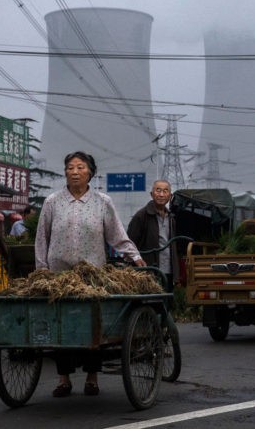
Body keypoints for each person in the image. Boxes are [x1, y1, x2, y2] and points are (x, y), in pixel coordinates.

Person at [35, 151, 146, 398]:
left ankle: (92, 377)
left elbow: (116, 234)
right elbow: (42, 237)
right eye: (70, 167)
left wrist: (134, 256)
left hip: (92, 275)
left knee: (92, 326)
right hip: (59, 276)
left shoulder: (102, 202)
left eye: (80, 167)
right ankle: (63, 379)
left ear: (90, 173)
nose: (74, 172)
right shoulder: (53, 201)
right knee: (60, 325)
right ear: (65, 172)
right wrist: (41, 269)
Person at [127, 179, 179, 292]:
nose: (161, 194)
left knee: (167, 303)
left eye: (165, 191)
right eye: (158, 190)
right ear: (151, 194)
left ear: (170, 196)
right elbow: (129, 243)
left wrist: (176, 272)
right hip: (149, 270)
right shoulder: (141, 216)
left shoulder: (171, 218)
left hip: (168, 271)